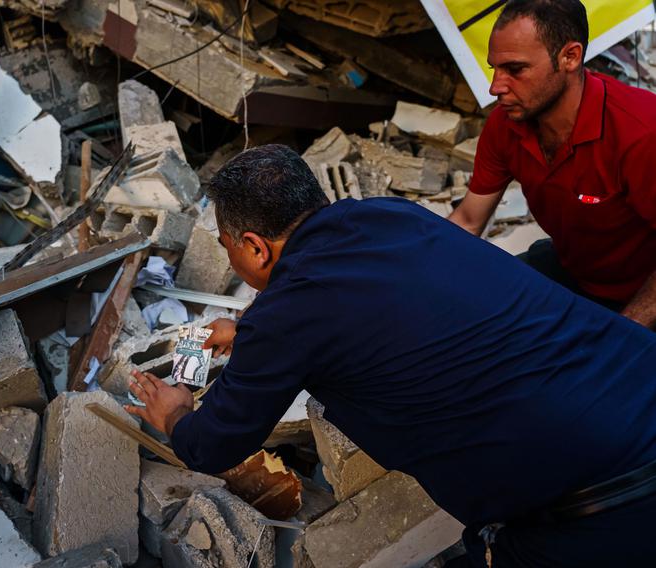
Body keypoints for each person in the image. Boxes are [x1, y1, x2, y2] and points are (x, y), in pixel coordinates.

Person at [125, 144, 656, 567]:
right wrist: (250, 333)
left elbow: (211, 445)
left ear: (254, 247)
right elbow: (381, 304)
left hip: (605, 504)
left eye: (226, 247)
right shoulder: (393, 218)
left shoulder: (288, 314)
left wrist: (174, 412)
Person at [447, 0, 656, 328]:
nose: (495, 87)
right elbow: (469, 221)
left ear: (569, 57)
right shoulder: (506, 125)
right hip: (574, 271)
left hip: (641, 292)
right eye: (494, 69)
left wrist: (625, 331)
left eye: (515, 70)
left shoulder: (641, 132)